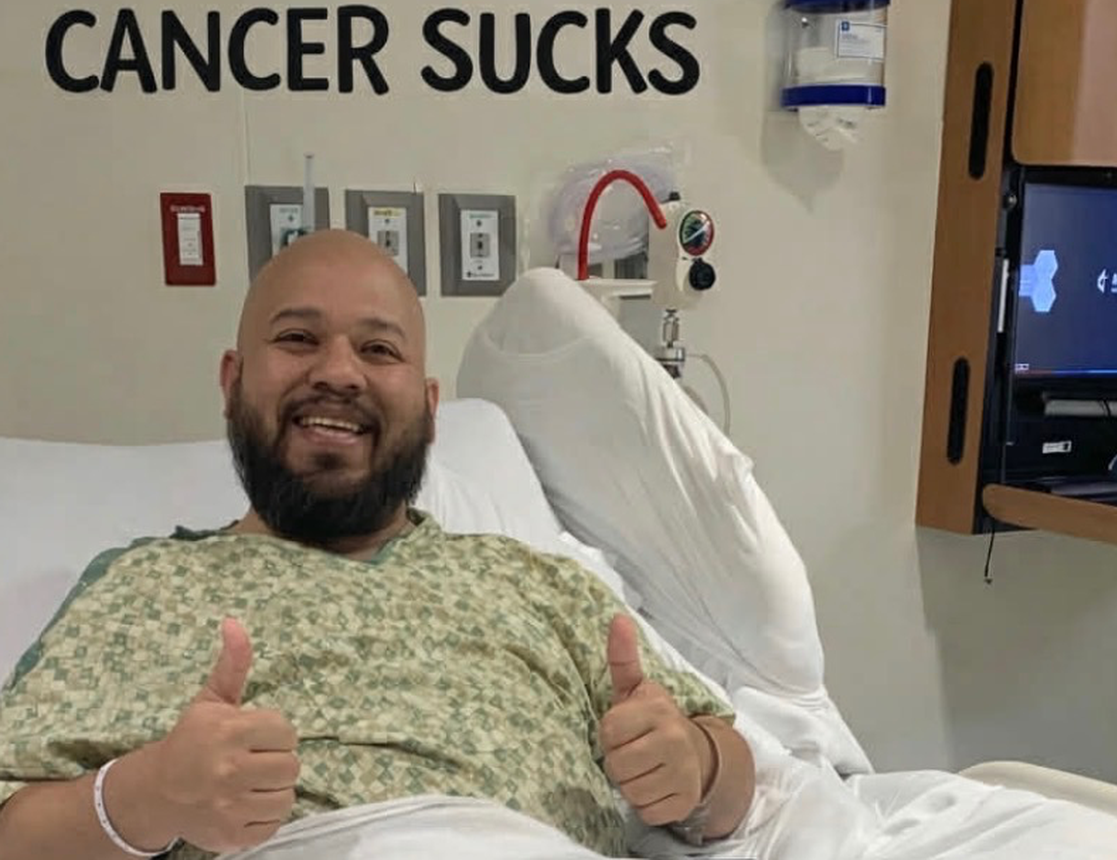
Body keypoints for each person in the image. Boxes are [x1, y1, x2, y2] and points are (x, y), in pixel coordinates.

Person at [0, 230, 755, 860]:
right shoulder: (146, 589)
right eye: (298, 339)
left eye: (379, 349)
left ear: (429, 409)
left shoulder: (538, 584)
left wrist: (696, 766)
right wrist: (147, 797)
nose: (338, 372)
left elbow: (734, 785)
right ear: (232, 383)